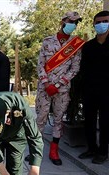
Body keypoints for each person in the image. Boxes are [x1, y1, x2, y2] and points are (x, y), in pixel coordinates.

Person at [35, 11, 84, 166]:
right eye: (71, 21)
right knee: (40, 119)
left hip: (61, 89)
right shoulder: (47, 41)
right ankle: (36, 150)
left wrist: (57, 85)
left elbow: (74, 69)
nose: (73, 25)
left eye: (76, 23)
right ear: (63, 21)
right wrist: (46, 83)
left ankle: (54, 150)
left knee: (58, 120)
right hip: (45, 88)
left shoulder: (75, 45)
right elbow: (40, 65)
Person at [78, 10, 109, 164]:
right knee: (89, 120)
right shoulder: (88, 46)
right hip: (90, 90)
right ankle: (91, 148)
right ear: (94, 24)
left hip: (107, 92)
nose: (101, 25)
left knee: (105, 122)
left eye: (105, 21)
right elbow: (83, 68)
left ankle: (103, 152)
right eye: (98, 22)